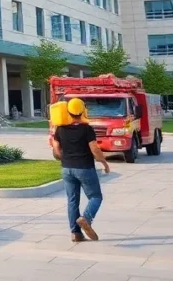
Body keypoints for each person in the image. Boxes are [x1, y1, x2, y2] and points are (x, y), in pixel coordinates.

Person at [52, 98, 111, 242]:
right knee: (96, 197)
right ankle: (86, 218)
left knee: (72, 201)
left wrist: (65, 158)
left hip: (67, 169)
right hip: (84, 167)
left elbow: (56, 150)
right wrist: (104, 162)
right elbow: (95, 149)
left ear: (69, 111)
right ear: (83, 111)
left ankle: (76, 234)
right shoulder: (87, 128)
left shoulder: (60, 129)